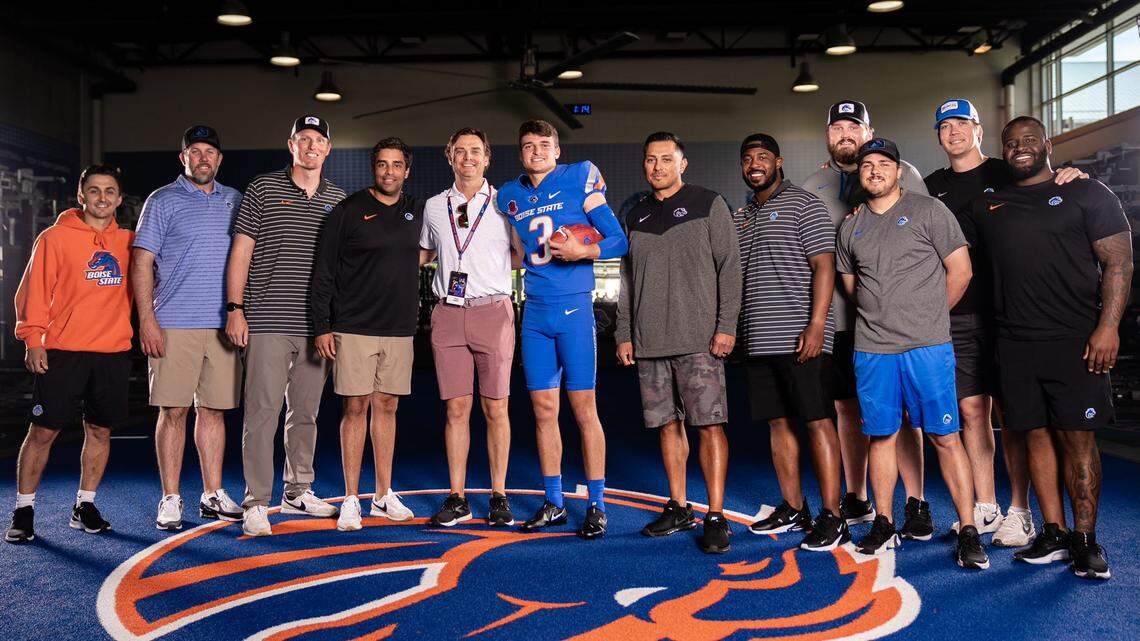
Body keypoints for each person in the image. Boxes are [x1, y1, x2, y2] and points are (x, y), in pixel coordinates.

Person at [962, 116, 1131, 579]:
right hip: (1013, 343)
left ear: (1048, 145)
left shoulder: (1088, 192)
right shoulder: (987, 204)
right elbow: (939, 241)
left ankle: (1086, 541)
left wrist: (1108, 328)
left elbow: (1118, 263)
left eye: (1030, 140)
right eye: (1011, 142)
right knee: (1034, 434)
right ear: (1002, 150)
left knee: (1077, 439)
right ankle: (1054, 533)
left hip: (1075, 340)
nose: (1020, 147)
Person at [923, 99, 1088, 546]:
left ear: (978, 130)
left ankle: (1021, 511)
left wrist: (1073, 174)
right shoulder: (932, 186)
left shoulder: (1008, 171)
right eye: (945, 126)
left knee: (1014, 415)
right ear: (938, 136)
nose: (954, 132)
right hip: (961, 313)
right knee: (972, 411)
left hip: (1012, 312)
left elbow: (1048, 180)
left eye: (962, 123)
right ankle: (985, 506)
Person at [836, 138, 989, 569]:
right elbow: (851, 286)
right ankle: (884, 522)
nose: (875, 170)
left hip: (927, 347)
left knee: (945, 437)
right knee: (881, 435)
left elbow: (961, 270)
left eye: (884, 163)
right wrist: (884, 313)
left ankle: (968, 528)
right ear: (859, 173)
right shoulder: (850, 226)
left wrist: (928, 317)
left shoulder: (929, 211)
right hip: (873, 349)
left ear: (899, 171)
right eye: (867, 164)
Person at [801, 100, 933, 539]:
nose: (846, 135)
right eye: (837, 127)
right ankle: (856, 495)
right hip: (841, 320)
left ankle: (915, 501)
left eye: (853, 127)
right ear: (828, 135)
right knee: (847, 407)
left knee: (904, 412)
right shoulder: (814, 184)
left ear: (868, 132)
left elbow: (924, 238)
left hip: (894, 320)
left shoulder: (903, 173)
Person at [496, 119, 628, 539]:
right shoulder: (509, 196)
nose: (536, 151)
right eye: (528, 145)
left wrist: (583, 251)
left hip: (574, 309)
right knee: (543, 411)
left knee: (584, 409)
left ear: (557, 149)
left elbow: (619, 240)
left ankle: (597, 504)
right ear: (520, 153)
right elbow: (510, 247)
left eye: (544, 144)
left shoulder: (579, 178)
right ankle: (553, 501)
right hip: (535, 313)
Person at [616, 132, 740, 553]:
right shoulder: (635, 215)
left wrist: (726, 326)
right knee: (667, 426)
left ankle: (716, 515)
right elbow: (627, 281)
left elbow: (730, 268)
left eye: (666, 159)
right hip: (650, 342)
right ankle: (679, 506)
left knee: (709, 426)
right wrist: (624, 332)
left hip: (699, 340)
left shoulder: (709, 203)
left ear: (682, 164)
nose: (658, 167)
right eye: (651, 159)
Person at [226, 116, 346, 536]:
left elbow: (342, 267)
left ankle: (298, 490)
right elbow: (241, 252)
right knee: (262, 413)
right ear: (291, 144)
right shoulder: (263, 188)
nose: (311, 146)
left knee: (306, 413)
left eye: (319, 140)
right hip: (267, 321)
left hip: (316, 326)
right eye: (304, 139)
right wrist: (235, 308)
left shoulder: (337, 198)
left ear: (328, 149)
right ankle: (256, 502)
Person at [6, 164, 133, 543]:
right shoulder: (55, 238)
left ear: (119, 199)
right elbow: (33, 292)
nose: (102, 198)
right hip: (63, 351)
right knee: (43, 431)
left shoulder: (129, 242)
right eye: (94, 190)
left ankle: (84, 505)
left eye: (109, 191)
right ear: (81, 196)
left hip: (112, 352)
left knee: (100, 430)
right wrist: (33, 339)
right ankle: (24, 509)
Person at [733, 134, 847, 551]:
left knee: (817, 421)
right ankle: (795, 507)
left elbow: (824, 266)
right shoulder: (741, 215)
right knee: (777, 424)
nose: (755, 164)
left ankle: (833, 515)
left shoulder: (805, 204)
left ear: (778, 162)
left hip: (801, 337)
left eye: (763, 156)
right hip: (758, 339)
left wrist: (817, 325)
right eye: (748, 158)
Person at [132, 125, 244, 531]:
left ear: (219, 159)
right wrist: (147, 319)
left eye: (209, 152)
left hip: (222, 324)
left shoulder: (235, 200)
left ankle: (212, 493)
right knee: (174, 410)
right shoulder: (161, 200)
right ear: (183, 158)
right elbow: (141, 262)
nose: (202, 158)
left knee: (213, 411)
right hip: (173, 323)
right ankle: (170, 496)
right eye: (194, 152)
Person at [311, 137, 424, 531]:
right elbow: (324, 272)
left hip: (399, 329)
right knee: (355, 408)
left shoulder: (417, 211)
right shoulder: (348, 210)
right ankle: (350, 498)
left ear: (407, 171)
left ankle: (382, 495)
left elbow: (434, 250)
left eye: (397, 165)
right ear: (373, 168)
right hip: (353, 327)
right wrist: (322, 326)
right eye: (382, 164)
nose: (389, 172)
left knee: (387, 407)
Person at [419, 128, 520, 527]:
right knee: (456, 409)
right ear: (450, 158)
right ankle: (457, 497)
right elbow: (425, 253)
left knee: (496, 407)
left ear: (487, 158)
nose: (468, 158)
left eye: (475, 151)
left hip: (492, 312)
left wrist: (489, 272)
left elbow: (519, 255)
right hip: (448, 313)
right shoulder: (433, 207)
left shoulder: (505, 203)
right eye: (460, 151)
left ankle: (498, 495)